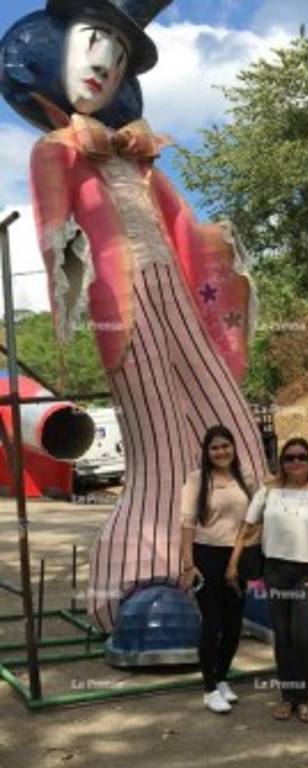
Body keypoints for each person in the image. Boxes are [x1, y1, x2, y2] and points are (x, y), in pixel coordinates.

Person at [0, 1, 268, 630]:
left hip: (179, 295)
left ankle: (248, 572)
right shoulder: (56, 149)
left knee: (233, 432)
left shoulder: (136, 159)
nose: (104, 64)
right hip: (126, 303)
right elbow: (57, 228)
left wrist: (214, 241)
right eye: (95, 43)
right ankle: (138, 583)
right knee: (160, 444)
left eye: (118, 57)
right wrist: (72, 144)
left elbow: (180, 226)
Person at [228, 437, 308, 724]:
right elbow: (248, 526)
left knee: (303, 638)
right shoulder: (269, 492)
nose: (295, 463)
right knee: (283, 637)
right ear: (282, 462)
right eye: (289, 458)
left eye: (301, 457)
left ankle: (302, 699)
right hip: (276, 571)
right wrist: (233, 563)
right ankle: (287, 697)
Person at [180, 426, 257, 714]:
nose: (221, 452)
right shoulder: (196, 480)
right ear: (206, 452)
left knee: (234, 623)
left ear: (233, 447)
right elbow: (186, 525)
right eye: (214, 448)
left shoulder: (246, 477)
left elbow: (256, 516)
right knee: (212, 623)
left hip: (238, 557)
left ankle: (222, 676)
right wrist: (189, 565)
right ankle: (209, 687)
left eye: (225, 446)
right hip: (206, 556)